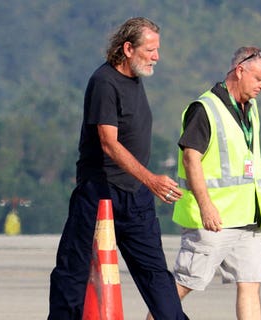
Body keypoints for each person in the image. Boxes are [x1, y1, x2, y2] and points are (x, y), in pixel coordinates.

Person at [48, 17, 188, 320]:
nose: (156, 57)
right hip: (99, 195)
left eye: (157, 49)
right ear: (127, 48)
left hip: (135, 197)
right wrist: (151, 180)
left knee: (155, 276)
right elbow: (108, 143)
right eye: (150, 50)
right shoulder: (104, 81)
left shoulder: (136, 79)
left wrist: (145, 185)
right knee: (72, 274)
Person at [163, 46, 261, 320]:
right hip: (213, 219)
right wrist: (206, 206)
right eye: (259, 79)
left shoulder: (251, 108)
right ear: (240, 71)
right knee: (185, 282)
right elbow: (191, 160)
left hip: (248, 218)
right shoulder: (205, 109)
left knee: (250, 284)